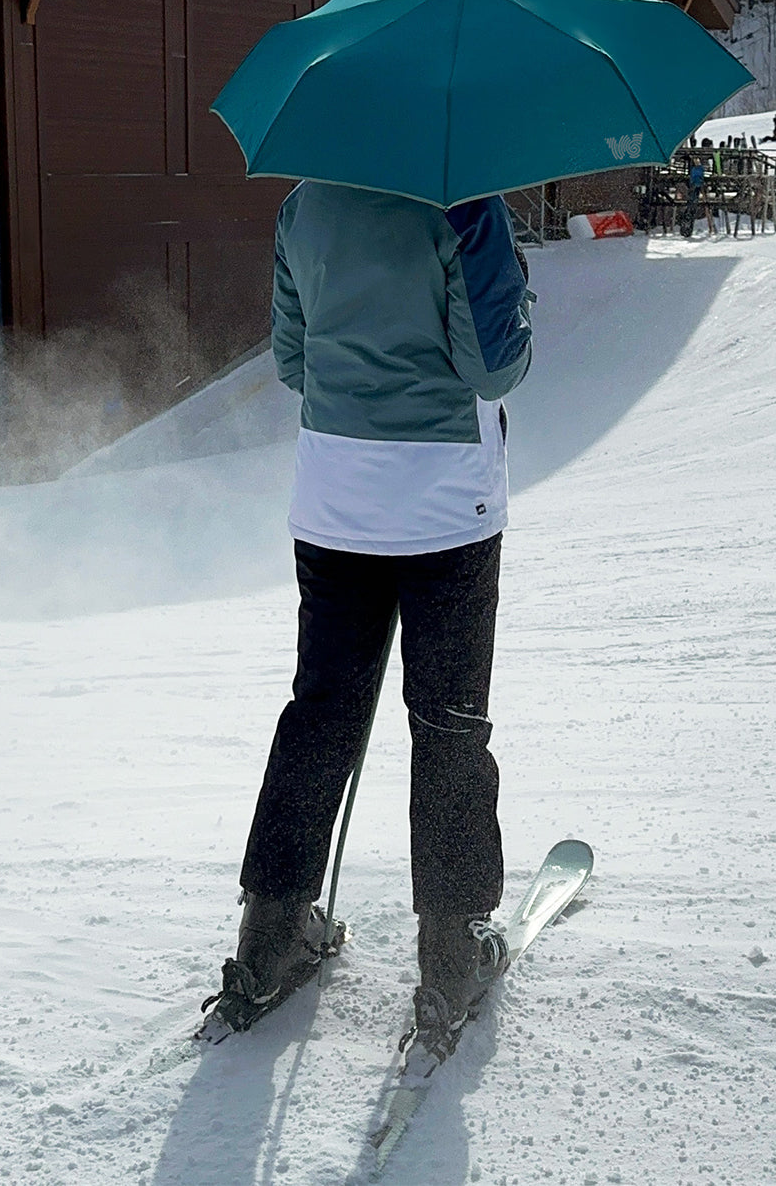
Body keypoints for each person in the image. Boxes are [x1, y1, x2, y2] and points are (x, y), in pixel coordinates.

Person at [205, 180, 534, 1059]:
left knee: (321, 714)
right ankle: (451, 955)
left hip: (335, 503)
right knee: (449, 725)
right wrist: (512, 294)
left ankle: (269, 941)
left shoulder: (305, 204)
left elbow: (292, 361)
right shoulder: (463, 201)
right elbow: (494, 367)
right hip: (444, 510)